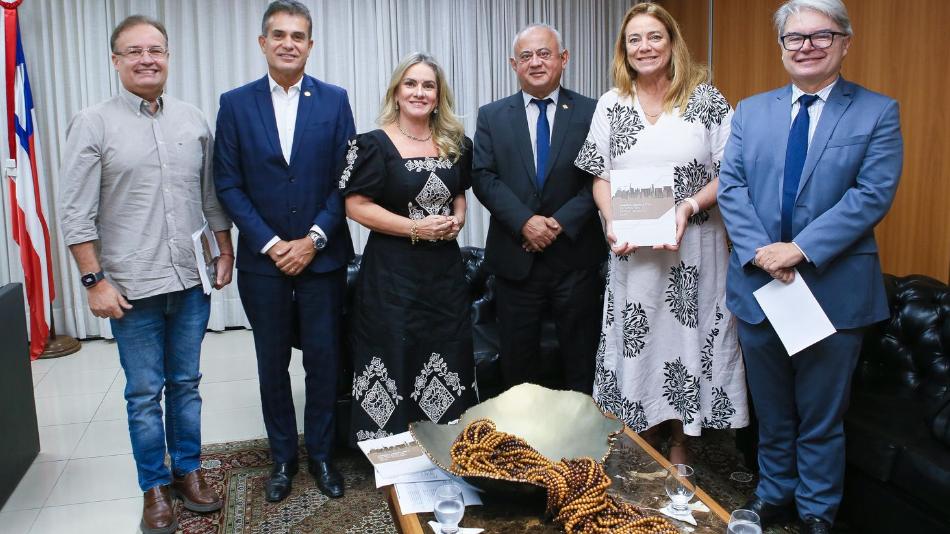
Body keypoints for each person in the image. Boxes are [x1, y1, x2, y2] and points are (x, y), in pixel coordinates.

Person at [717, 0, 902, 531]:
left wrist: (798, 249)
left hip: (832, 288)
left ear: (845, 42)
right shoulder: (751, 111)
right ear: (782, 47)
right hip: (760, 285)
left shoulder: (876, 111)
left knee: (822, 416)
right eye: (795, 38)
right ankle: (773, 492)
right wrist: (762, 251)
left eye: (822, 35)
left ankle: (818, 511)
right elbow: (731, 187)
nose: (807, 46)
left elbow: (871, 194)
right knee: (772, 410)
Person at [58, 15, 231, 534]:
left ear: (168, 56)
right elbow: (75, 213)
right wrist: (94, 282)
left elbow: (209, 196)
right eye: (134, 51)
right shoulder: (93, 123)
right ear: (115, 61)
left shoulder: (193, 120)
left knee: (186, 384)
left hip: (190, 281)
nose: (147, 59)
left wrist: (224, 249)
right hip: (130, 289)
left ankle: (188, 471)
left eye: (155, 49)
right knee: (143, 393)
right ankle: (153, 486)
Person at [574, 2, 748, 466]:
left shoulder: (706, 100)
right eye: (634, 39)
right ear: (624, 49)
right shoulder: (612, 104)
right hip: (634, 253)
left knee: (685, 339)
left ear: (672, 43)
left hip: (694, 249)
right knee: (640, 339)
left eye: (654, 36)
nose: (645, 47)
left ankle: (680, 440)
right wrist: (611, 220)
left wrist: (688, 206)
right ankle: (641, 430)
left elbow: (730, 172)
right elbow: (599, 176)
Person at [213, 0, 355, 502]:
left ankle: (321, 455)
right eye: (279, 35)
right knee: (271, 363)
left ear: (310, 45)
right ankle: (282, 459)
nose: (288, 44)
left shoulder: (335, 100)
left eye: (298, 36)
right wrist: (273, 245)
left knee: (322, 360)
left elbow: (346, 178)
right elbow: (227, 183)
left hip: (323, 258)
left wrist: (313, 239)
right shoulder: (235, 104)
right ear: (263, 42)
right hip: (263, 262)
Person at [340, 53, 477, 444]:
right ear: (396, 92)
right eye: (411, 84)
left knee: (447, 351)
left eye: (428, 85)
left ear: (438, 95)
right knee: (392, 354)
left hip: (444, 276)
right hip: (391, 276)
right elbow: (355, 206)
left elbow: (459, 191)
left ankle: (445, 446)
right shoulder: (371, 144)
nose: (419, 92)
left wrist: (458, 217)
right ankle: (392, 451)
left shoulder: (456, 143)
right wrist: (416, 228)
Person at [472, 23, 604, 394]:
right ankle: (522, 432)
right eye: (526, 56)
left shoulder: (592, 112)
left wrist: (556, 224)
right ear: (513, 64)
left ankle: (583, 431)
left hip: (575, 260)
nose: (535, 62)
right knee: (518, 369)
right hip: (516, 261)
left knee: (581, 363)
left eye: (544, 53)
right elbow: (483, 176)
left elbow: (599, 177)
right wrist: (525, 222)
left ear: (563, 58)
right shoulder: (492, 116)